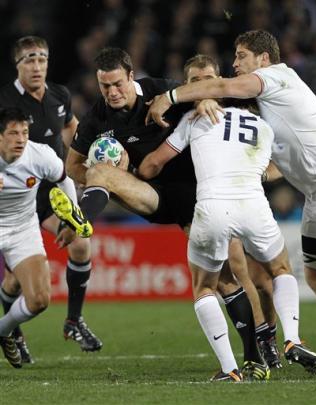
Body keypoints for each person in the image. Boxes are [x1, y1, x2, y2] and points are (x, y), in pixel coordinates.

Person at [50, 49, 269, 380]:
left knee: (222, 279)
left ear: (131, 75)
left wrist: (205, 101)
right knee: (98, 172)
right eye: (104, 86)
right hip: (149, 193)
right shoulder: (97, 117)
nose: (112, 93)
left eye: (117, 84)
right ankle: (83, 220)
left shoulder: (159, 89)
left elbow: (199, 93)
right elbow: (73, 167)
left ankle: (254, 359)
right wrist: (124, 171)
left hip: (193, 196)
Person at [146, 29, 316, 319]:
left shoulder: (277, 76)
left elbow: (223, 87)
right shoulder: (268, 108)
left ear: (264, 58)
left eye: (241, 56)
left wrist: (169, 96)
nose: (235, 63)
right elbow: (288, 156)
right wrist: (260, 176)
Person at [139, 97, 316, 375]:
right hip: (253, 205)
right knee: (280, 269)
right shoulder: (264, 126)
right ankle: (292, 339)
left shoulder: (195, 118)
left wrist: (138, 171)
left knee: (204, 287)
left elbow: (153, 164)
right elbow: (285, 164)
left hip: (211, 207)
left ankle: (230, 369)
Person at [0, 36, 102, 361]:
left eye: (42, 59)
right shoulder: (5, 100)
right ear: (18, 65)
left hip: (47, 194)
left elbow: (71, 128)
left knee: (82, 243)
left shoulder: (59, 95)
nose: (37, 66)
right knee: (15, 281)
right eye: (30, 60)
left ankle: (73, 320)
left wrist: (86, 154)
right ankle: (12, 330)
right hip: (18, 196)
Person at [0, 107, 79, 368]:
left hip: (23, 228)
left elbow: (64, 181)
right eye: (13, 133)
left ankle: (3, 331)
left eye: (24, 132)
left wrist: (71, 221)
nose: (21, 139)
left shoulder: (39, 155)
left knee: (39, 300)